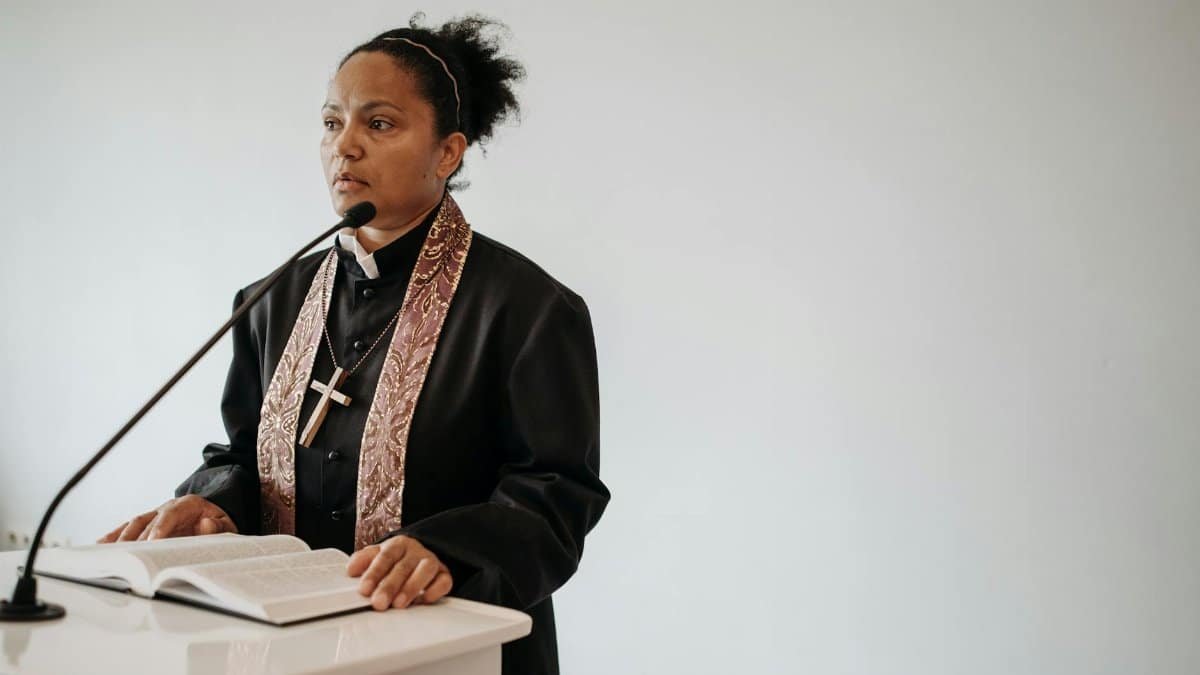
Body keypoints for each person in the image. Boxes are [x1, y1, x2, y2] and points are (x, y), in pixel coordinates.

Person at [96, 13, 609, 675]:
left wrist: (448, 550)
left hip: (460, 651)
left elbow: (556, 498)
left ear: (447, 153)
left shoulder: (531, 309)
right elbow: (242, 455)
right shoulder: (272, 300)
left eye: (380, 123)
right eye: (333, 122)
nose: (345, 148)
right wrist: (214, 505)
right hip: (290, 648)